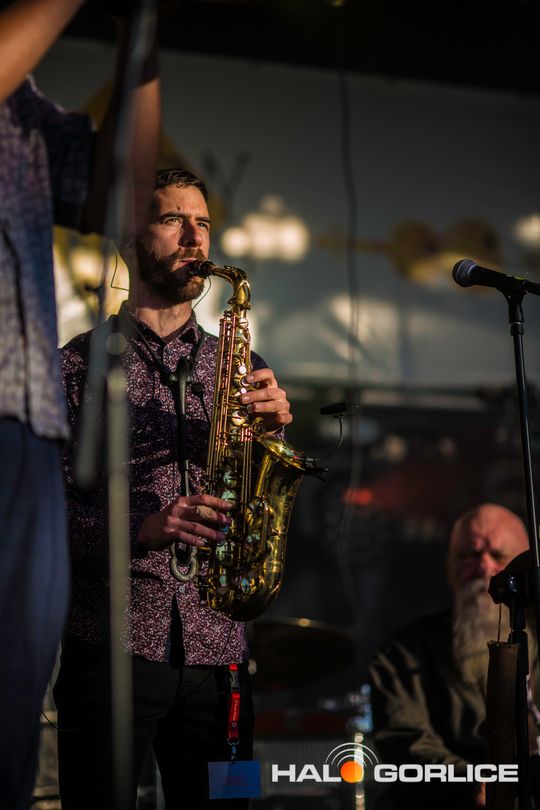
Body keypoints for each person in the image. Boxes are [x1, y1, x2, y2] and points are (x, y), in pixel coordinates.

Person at [54, 167, 293, 809]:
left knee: (232, 802)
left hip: (224, 652)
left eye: (203, 223)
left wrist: (274, 435)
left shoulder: (244, 365)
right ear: (129, 240)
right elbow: (39, 518)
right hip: (109, 650)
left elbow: (259, 496)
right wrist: (141, 528)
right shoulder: (73, 368)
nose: (195, 238)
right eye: (172, 220)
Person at [0, 2, 161, 809]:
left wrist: (144, 35)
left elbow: (122, 201)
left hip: (28, 421)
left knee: (13, 703)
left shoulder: (25, 103)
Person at [369, 503, 532, 809]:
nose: (484, 567)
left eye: (499, 555)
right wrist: (473, 781)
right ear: (449, 569)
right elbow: (404, 743)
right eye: (469, 555)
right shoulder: (404, 652)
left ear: (526, 568)